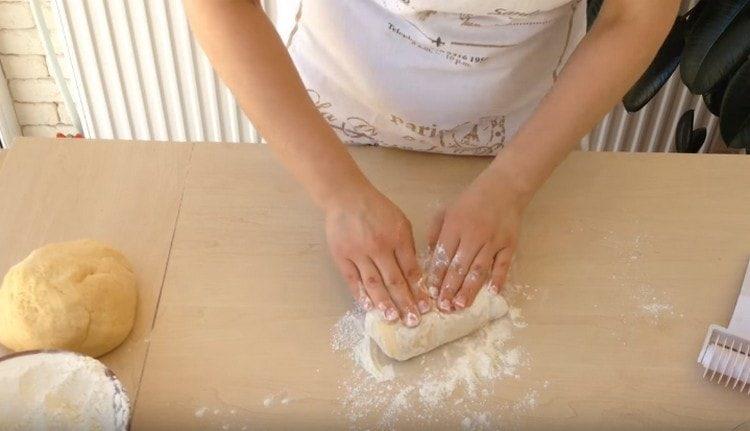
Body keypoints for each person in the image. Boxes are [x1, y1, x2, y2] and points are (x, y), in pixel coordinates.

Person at [184, 0, 680, 328]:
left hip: (525, 137)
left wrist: (511, 182)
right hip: (330, 130)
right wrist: (338, 193)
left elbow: (635, 14)